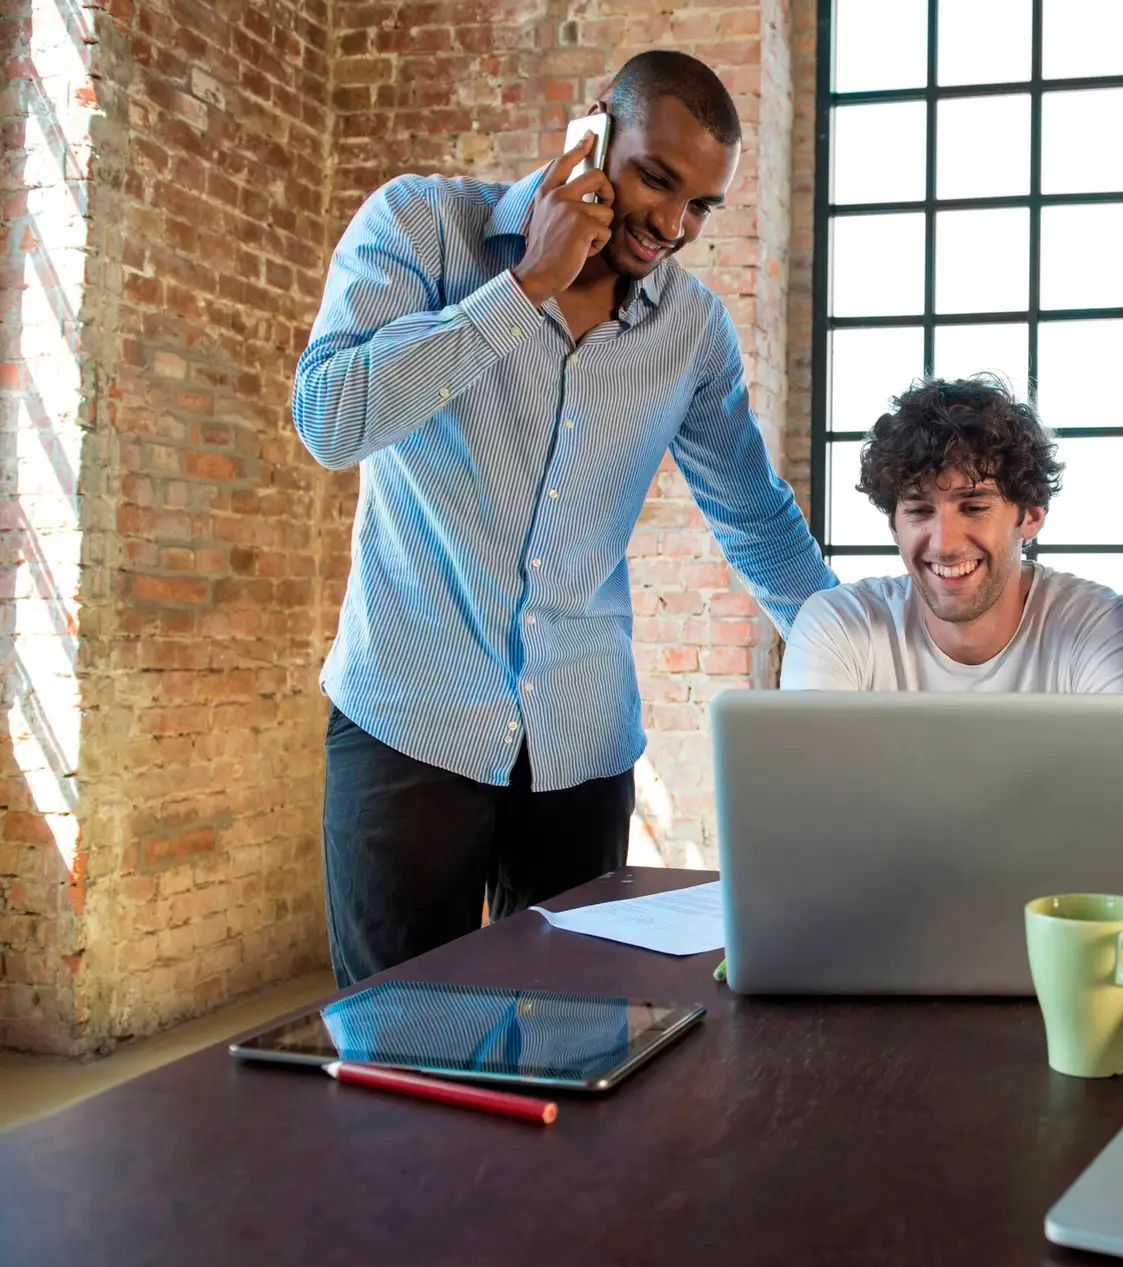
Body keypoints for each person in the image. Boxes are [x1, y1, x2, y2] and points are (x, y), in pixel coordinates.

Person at [292, 51, 835, 985]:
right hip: (408, 729)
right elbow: (333, 420)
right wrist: (524, 288)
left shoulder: (692, 331)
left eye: (701, 206)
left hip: (580, 748)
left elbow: (754, 514)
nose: (672, 224)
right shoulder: (421, 226)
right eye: (656, 179)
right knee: (398, 1062)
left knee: (577, 1048)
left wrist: (864, 667)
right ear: (595, 129)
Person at [780, 376, 1123, 694]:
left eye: (974, 508)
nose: (944, 545)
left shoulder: (1099, 627)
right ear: (894, 525)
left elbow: (1121, 780)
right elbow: (811, 779)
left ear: (1032, 515)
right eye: (919, 510)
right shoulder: (837, 626)